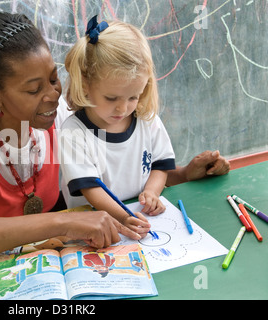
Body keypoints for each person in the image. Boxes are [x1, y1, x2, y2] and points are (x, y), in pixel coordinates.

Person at [0, 12, 230, 260]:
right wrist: (64, 220)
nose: (53, 94)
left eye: (54, 78)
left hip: (41, 256)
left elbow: (128, 169)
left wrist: (185, 174)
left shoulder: (52, 115)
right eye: (34, 89)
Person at [58, 16, 229, 234]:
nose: (123, 109)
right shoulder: (73, 131)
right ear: (85, 85)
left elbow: (160, 166)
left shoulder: (147, 120)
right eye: (111, 98)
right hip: (93, 229)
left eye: (133, 97)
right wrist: (124, 217)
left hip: (140, 220)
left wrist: (151, 192)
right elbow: (91, 189)